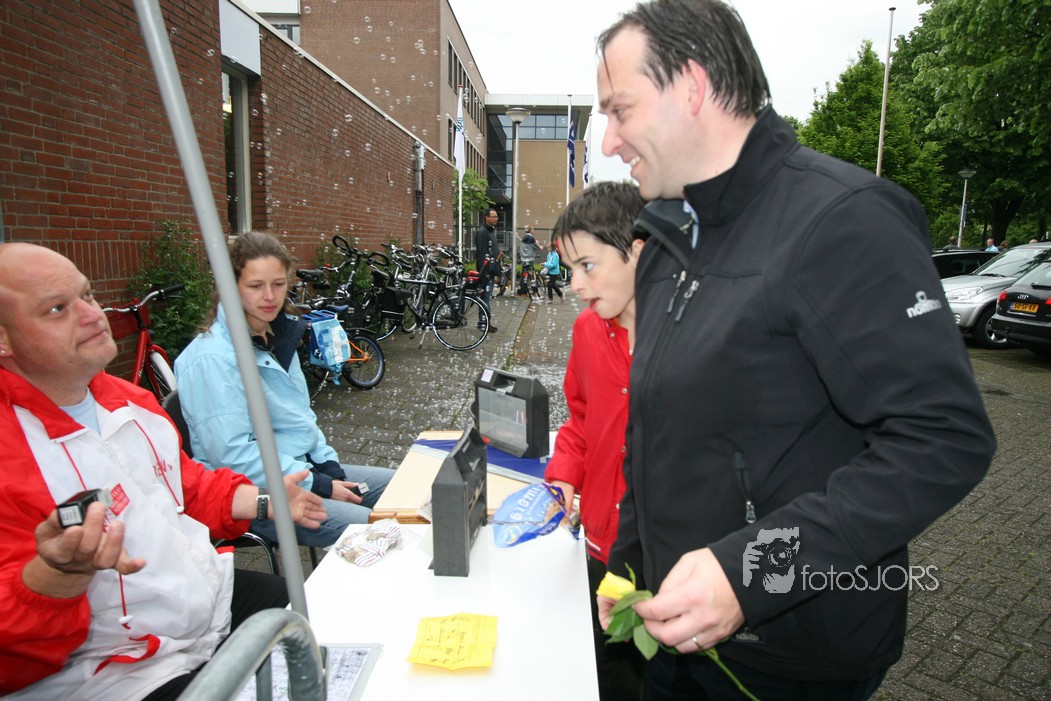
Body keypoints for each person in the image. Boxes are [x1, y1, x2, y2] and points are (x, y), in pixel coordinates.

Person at [594, 2, 996, 699]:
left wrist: (751, 572)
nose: (607, 141)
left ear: (691, 86)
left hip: (787, 661)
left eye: (619, 110)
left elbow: (944, 438)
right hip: (671, 636)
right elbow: (653, 436)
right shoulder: (662, 245)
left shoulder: (845, 221)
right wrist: (628, 570)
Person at [0, 243, 326, 700]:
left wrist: (265, 500)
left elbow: (183, 485)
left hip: (206, 602)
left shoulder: (128, 399)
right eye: (57, 309)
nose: (93, 315)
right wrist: (57, 574)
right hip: (114, 668)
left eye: (87, 295)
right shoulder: (12, 449)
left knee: (331, 618)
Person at [174, 232, 393, 548]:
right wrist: (320, 485)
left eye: (278, 284)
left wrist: (329, 468)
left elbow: (300, 417)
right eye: (255, 286)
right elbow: (233, 456)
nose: (269, 296)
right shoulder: (211, 359)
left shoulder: (276, 336)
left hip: (300, 470)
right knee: (375, 532)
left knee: (406, 490)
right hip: (254, 496)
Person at [545, 181, 647, 701]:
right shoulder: (587, 330)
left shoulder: (691, 338)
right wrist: (564, 476)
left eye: (587, 265)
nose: (576, 285)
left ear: (638, 252)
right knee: (607, 672)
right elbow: (581, 417)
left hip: (662, 556)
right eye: (570, 270)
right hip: (601, 541)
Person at [474, 207, 500, 331]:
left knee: (487, 297)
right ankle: (483, 323)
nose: (496, 219)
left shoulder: (490, 231)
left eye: (497, 216)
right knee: (485, 297)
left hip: (491, 270)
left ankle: (485, 322)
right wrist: (485, 271)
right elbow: (482, 254)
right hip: (487, 272)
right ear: (486, 218)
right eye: (493, 216)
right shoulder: (483, 232)